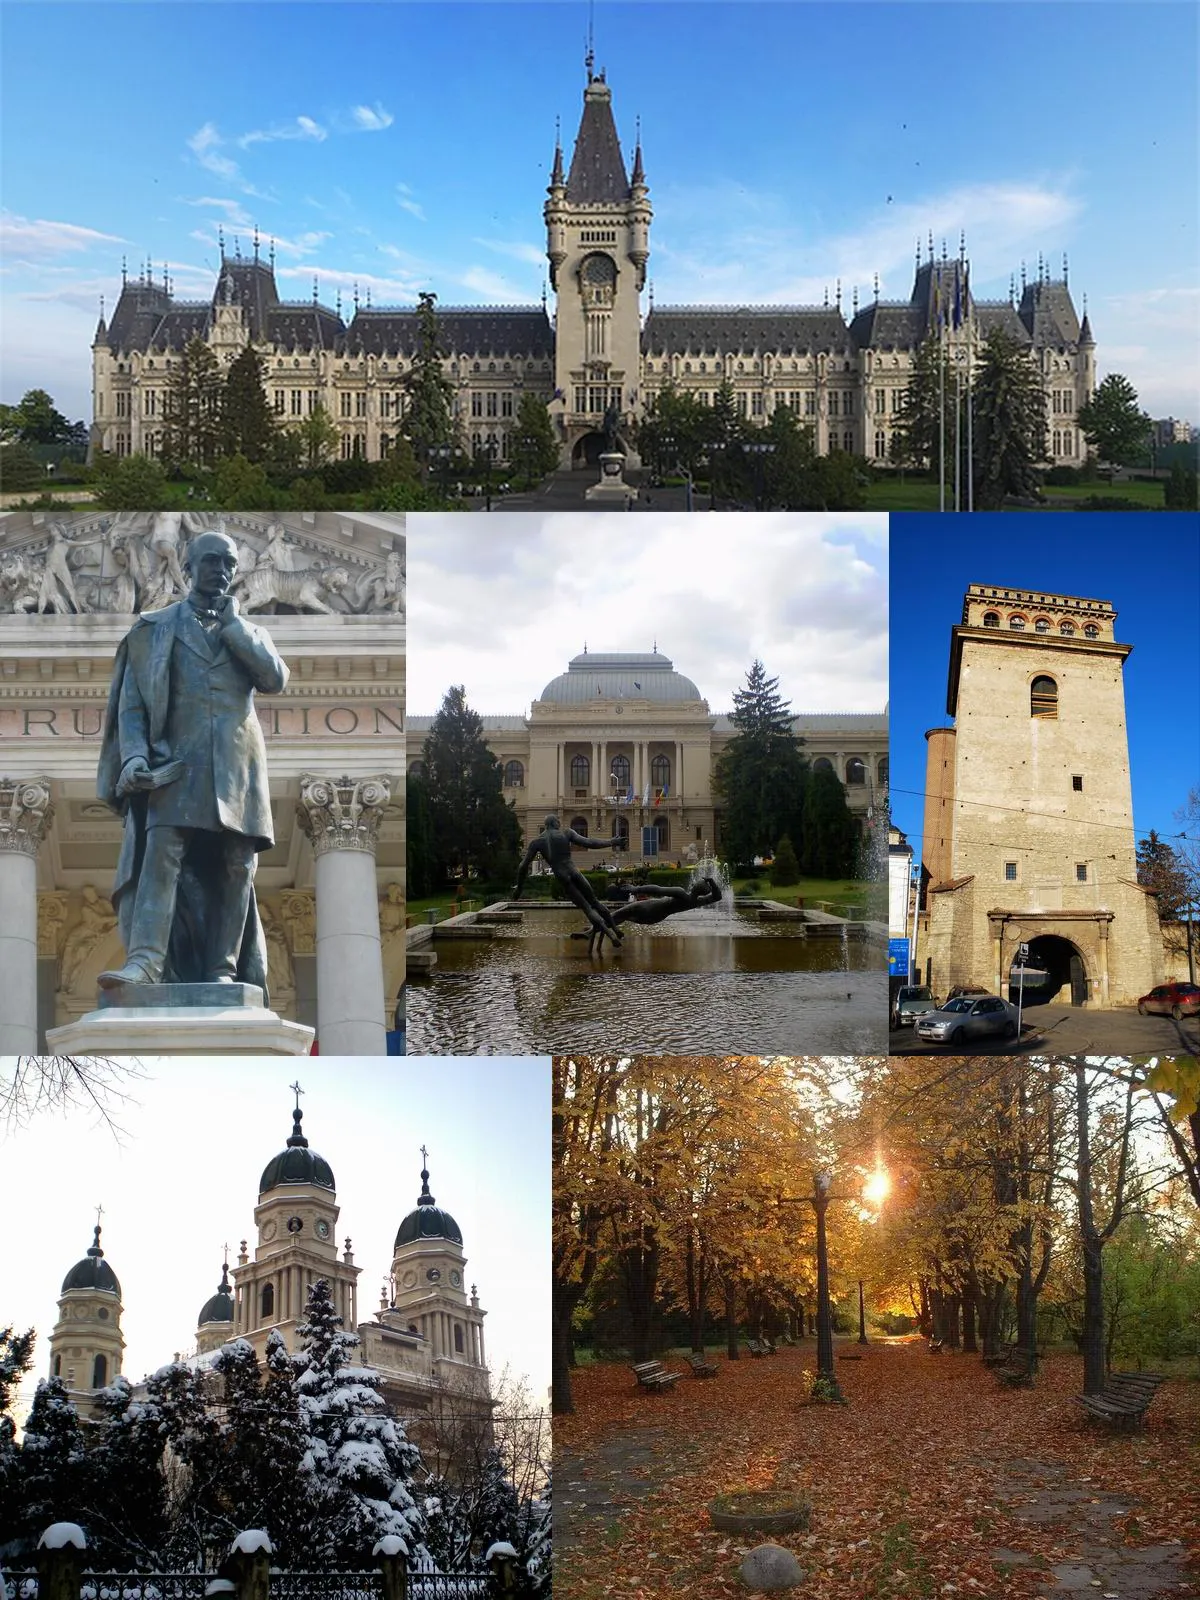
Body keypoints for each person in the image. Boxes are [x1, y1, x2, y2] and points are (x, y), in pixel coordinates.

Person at [96, 529, 289, 992]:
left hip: (237, 769)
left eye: (228, 564)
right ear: (187, 569)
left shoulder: (250, 632)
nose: (220, 571)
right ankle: (145, 962)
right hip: (174, 766)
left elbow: (274, 679)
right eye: (210, 561)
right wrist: (133, 758)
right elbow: (133, 706)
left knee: (236, 866)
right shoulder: (152, 630)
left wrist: (234, 627)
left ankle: (221, 970)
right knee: (162, 857)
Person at [512, 816, 625, 949]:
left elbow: (523, 866)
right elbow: (589, 842)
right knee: (595, 902)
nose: (560, 823)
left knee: (587, 908)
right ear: (554, 823)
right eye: (558, 821)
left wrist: (519, 887)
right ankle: (615, 930)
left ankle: (611, 936)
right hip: (574, 870)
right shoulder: (567, 833)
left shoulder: (537, 842)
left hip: (562, 875)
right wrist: (612, 842)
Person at [571, 876, 722, 955]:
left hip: (649, 908)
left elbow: (657, 890)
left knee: (616, 915)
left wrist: (636, 889)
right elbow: (717, 897)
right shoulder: (696, 901)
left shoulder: (681, 893)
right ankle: (592, 932)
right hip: (655, 917)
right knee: (618, 919)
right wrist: (713, 884)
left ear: (695, 887)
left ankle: (592, 932)